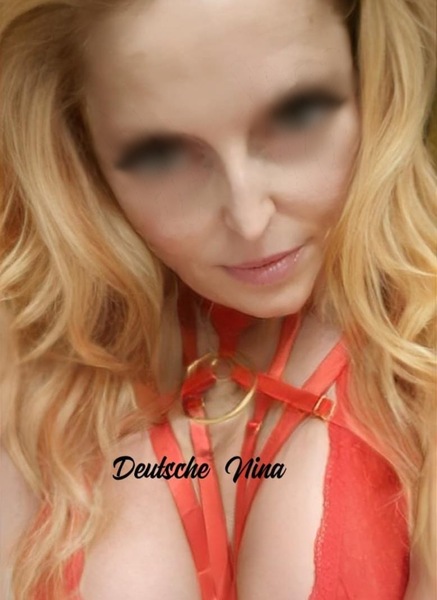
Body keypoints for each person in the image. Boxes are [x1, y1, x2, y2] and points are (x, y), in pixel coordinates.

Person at [0, 0, 436, 598]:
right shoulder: (31, 367)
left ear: (373, 80)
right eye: (163, 155)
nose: (249, 218)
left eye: (297, 116)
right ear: (82, 150)